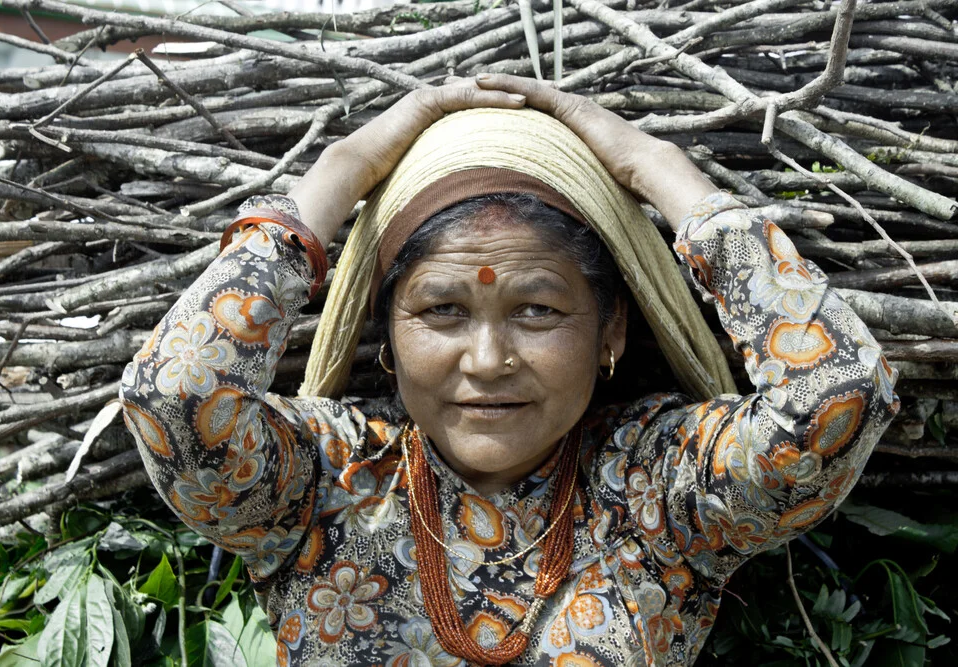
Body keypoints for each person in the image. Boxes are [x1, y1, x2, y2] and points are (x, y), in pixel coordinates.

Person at [118, 74, 900, 666]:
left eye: (538, 311)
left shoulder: (660, 492)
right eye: (442, 311)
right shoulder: (325, 483)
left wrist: (659, 169)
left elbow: (840, 396)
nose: (487, 361)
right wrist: (342, 167)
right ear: (385, 335)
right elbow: (172, 398)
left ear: (610, 330)